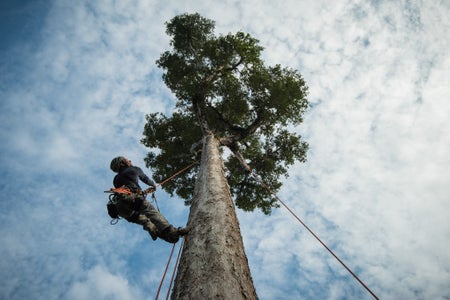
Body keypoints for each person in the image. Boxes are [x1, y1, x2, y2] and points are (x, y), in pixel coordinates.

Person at [109, 156, 188, 243]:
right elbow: (145, 178)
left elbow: (125, 188)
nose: (130, 160)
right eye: (127, 160)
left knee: (146, 221)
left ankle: (159, 232)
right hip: (132, 199)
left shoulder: (115, 179)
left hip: (120, 208)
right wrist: (153, 185)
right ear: (122, 163)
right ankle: (172, 233)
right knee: (151, 213)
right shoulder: (133, 169)